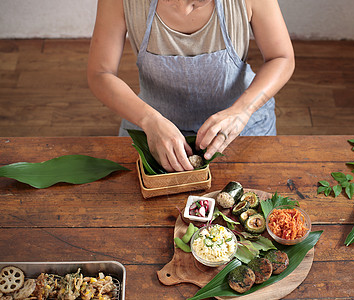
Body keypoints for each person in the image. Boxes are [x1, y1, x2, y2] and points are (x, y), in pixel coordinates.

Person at [87, 0, 294, 172]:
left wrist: (241, 111)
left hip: (241, 127)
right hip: (151, 127)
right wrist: (150, 120)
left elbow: (281, 57)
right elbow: (100, 73)